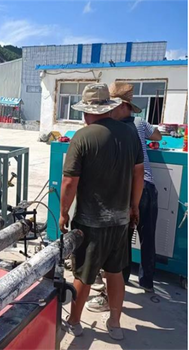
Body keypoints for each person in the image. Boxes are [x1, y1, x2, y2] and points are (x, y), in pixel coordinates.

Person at [59, 83, 144, 340]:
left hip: (90, 222)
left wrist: (63, 213)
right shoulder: (130, 135)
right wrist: (134, 206)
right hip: (120, 220)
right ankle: (115, 323)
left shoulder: (83, 137)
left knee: (83, 275)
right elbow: (138, 173)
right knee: (115, 273)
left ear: (86, 110)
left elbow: (69, 182)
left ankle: (74, 322)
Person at [86, 82, 162, 313]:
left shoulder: (116, 129)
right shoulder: (140, 123)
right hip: (149, 187)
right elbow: (157, 135)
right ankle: (147, 282)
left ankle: (118, 286)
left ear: (120, 105)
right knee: (147, 238)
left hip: (130, 189)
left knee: (121, 243)